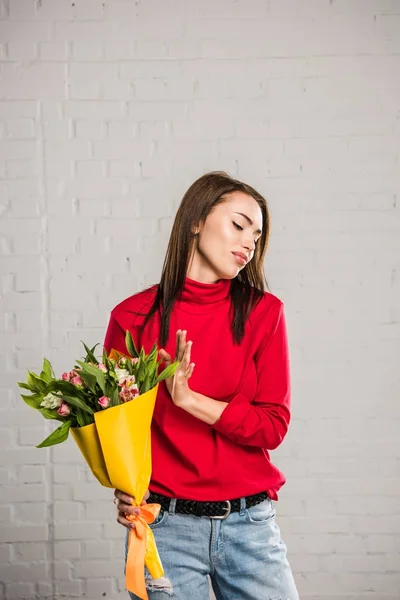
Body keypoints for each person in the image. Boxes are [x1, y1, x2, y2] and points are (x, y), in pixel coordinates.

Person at [104, 171, 299, 600]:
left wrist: (190, 400)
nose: (249, 243)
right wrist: (125, 486)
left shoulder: (265, 313)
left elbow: (272, 427)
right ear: (196, 220)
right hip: (164, 529)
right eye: (239, 224)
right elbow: (119, 429)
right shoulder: (131, 319)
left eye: (257, 234)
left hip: (250, 528)